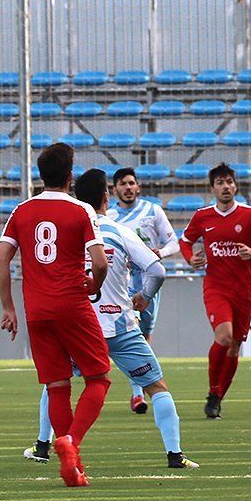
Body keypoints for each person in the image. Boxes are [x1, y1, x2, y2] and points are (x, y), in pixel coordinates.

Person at [24, 169, 199, 470]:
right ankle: (175, 455)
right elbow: (157, 271)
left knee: (56, 384)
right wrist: (143, 297)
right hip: (119, 325)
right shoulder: (120, 231)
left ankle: (43, 446)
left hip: (78, 325)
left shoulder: (69, 231)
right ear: (107, 197)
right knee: (156, 386)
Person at [0, 143, 112, 487]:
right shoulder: (81, 210)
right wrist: (94, 283)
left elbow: (2, 261)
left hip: (36, 310)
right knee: (98, 377)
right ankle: (71, 443)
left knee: (58, 385)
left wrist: (8, 307)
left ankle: (73, 469)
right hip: (72, 304)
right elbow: (101, 262)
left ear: (40, 175)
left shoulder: (21, 211)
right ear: (70, 176)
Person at [179, 163, 251, 419]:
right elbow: (185, 241)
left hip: (244, 291)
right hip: (216, 287)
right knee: (224, 337)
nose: (226, 187)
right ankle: (213, 391)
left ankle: (218, 398)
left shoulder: (250, 215)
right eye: (220, 183)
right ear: (212, 188)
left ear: (235, 185)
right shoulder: (202, 216)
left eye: (229, 182)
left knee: (234, 347)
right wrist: (190, 258)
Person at [106, 167, 180, 415]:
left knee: (144, 336)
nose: (128, 188)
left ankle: (139, 386)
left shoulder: (153, 211)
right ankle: (138, 394)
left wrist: (159, 254)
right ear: (114, 189)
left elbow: (173, 243)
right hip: (122, 284)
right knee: (132, 331)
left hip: (150, 282)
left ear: (138, 187)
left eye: (131, 183)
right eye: (122, 184)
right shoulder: (110, 216)